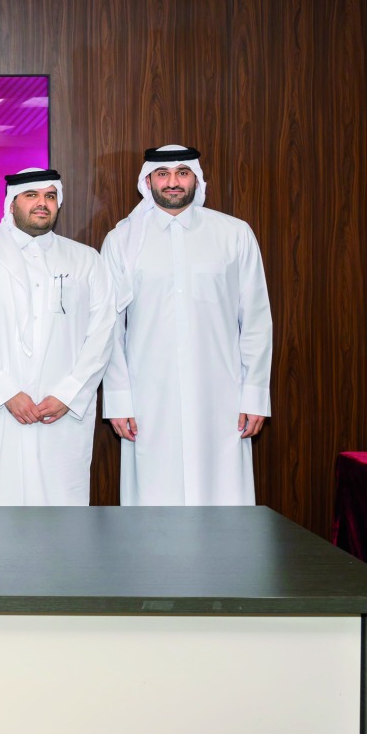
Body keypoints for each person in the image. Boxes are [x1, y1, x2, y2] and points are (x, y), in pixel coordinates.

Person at [101, 145, 272, 505]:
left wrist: (255, 395)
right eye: (163, 174)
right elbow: (109, 329)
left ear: (196, 178)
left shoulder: (234, 234)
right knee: (153, 500)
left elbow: (255, 319)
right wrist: (118, 400)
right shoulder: (122, 241)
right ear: (148, 181)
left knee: (223, 498)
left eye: (182, 172)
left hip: (221, 396)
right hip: (149, 397)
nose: (173, 182)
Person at [0, 169, 115, 505]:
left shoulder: (86, 259)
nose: (42, 204)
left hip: (61, 411)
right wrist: (6, 392)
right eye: (32, 195)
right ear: (11, 204)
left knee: (62, 509)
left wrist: (68, 393)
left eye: (50, 196)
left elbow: (102, 333)